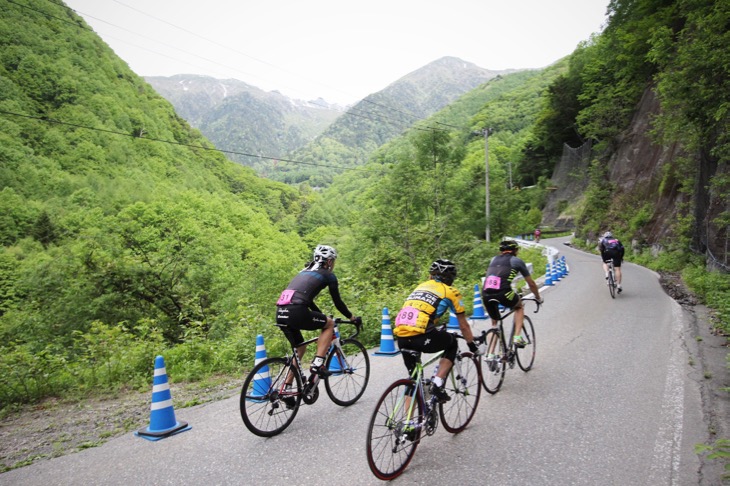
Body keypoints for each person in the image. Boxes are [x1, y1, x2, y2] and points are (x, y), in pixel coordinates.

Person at [393, 259, 484, 403]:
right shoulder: (450, 291)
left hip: (401, 336)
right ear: (451, 279)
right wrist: (472, 345)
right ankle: (437, 383)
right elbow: (464, 325)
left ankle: (407, 421)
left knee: (414, 379)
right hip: (422, 336)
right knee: (452, 342)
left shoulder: (420, 287)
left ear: (431, 276)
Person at [275, 245, 360, 386]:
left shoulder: (303, 272)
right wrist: (352, 318)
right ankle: (318, 363)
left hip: (281, 312)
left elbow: (306, 301)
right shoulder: (328, 275)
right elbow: (338, 302)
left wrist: (320, 315)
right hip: (297, 311)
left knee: (300, 348)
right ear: (329, 262)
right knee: (330, 324)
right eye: (333, 261)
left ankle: (286, 387)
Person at [482, 240, 543, 350]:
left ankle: (490, 354)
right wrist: (538, 298)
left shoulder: (493, 259)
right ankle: (517, 337)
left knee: (494, 325)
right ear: (516, 250)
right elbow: (531, 284)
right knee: (519, 306)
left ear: (501, 251)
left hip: (486, 293)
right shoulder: (517, 261)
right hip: (503, 293)